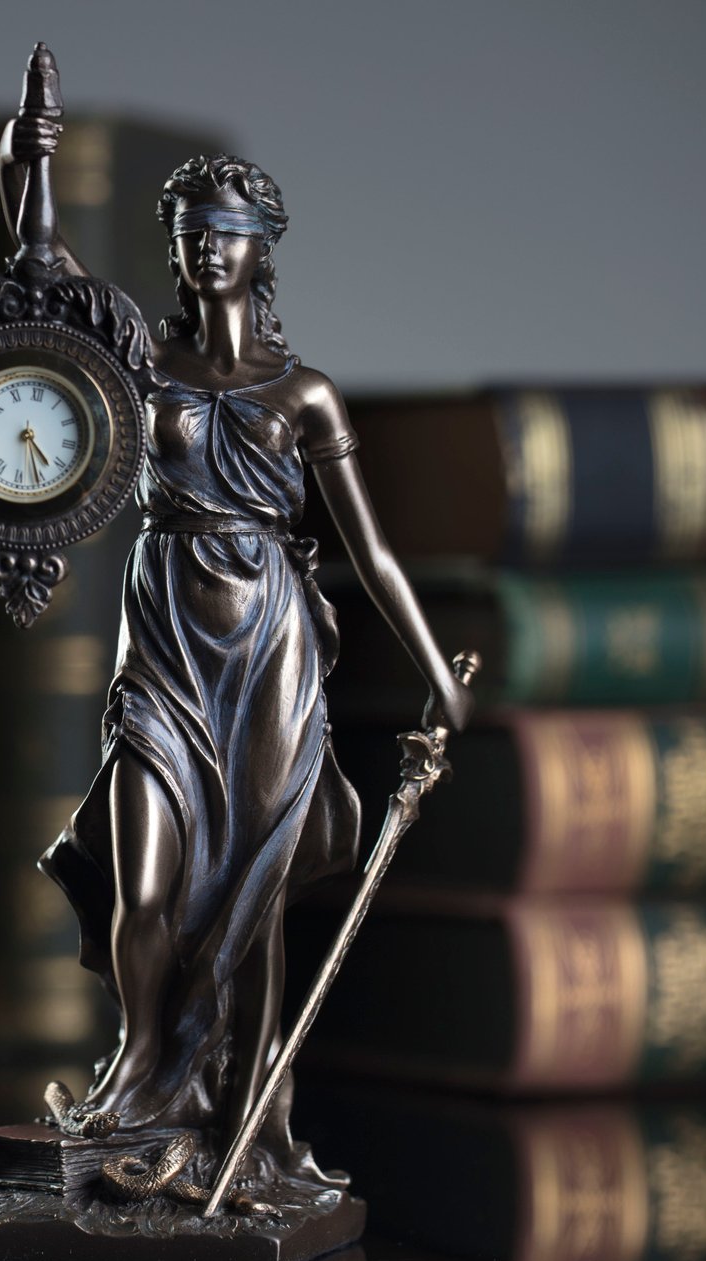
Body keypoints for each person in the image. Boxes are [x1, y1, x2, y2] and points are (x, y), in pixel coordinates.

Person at [32, 153, 474, 1184]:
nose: (202, 250)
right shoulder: (140, 368)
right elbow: (43, 289)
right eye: (186, 233)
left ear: (260, 247)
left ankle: (243, 1119)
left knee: (254, 894)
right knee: (142, 883)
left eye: (221, 231)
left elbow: (372, 551)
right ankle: (142, 1076)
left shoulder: (307, 393)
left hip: (268, 649)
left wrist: (437, 678)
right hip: (166, 641)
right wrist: (31, 167)